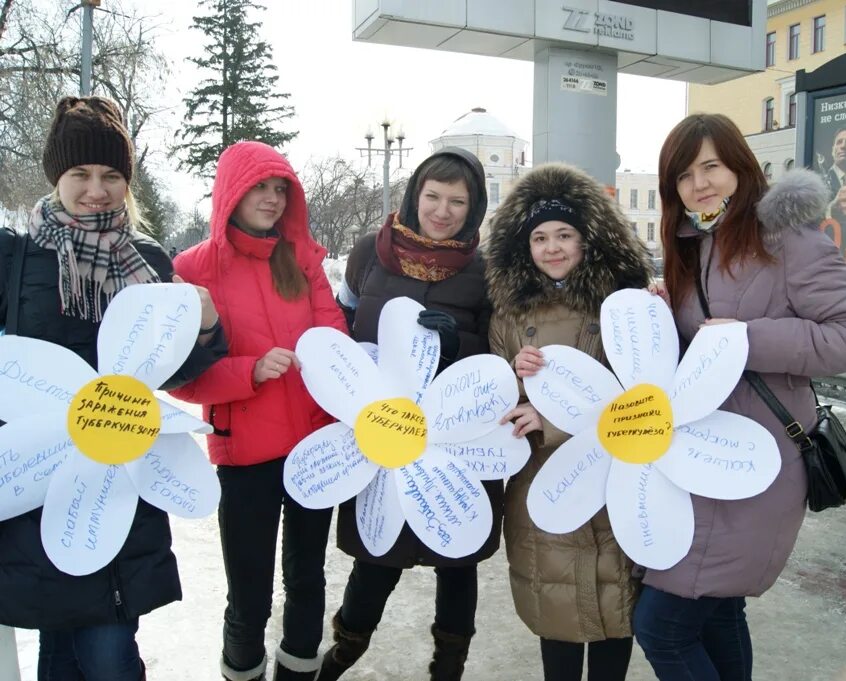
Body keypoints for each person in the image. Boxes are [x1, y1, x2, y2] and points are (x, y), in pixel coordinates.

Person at [638, 113, 846, 681]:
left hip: (758, 463)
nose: (699, 184)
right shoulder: (693, 247)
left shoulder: (790, 243)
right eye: (683, 175)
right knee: (719, 613)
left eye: (711, 167)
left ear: (740, 168)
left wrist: (745, 339)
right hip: (699, 461)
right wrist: (664, 311)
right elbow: (696, 349)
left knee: (662, 627)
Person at [0, 96, 225, 681]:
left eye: (111, 176)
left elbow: (173, 376)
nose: (96, 189)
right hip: (42, 480)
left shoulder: (146, 260)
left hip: (124, 474)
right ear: (58, 177)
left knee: (106, 652)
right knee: (60, 649)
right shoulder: (16, 258)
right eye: (81, 174)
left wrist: (202, 330)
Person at [169, 141, 349, 681]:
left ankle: (298, 673)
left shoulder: (304, 261)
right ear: (231, 191)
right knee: (248, 592)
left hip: (315, 448)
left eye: (280, 189)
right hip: (245, 457)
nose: (271, 199)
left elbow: (334, 342)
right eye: (260, 187)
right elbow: (183, 378)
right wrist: (248, 371)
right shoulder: (193, 270)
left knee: (308, 581)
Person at [321, 148, 492, 681]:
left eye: (457, 201)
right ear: (416, 194)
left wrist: (456, 343)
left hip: (455, 437)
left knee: (456, 559)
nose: (442, 211)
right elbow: (343, 325)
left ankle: (449, 667)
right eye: (433, 196)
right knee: (377, 553)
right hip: (384, 433)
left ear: (474, 206)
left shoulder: (487, 272)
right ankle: (341, 654)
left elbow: (498, 352)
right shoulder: (369, 254)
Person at [485, 163, 652, 681]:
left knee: (614, 621)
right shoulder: (508, 316)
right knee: (556, 625)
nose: (552, 247)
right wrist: (514, 379)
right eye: (539, 237)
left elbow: (645, 402)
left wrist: (553, 417)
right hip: (542, 493)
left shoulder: (624, 309)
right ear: (524, 246)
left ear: (589, 240)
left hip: (615, 487)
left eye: (564, 234)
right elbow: (494, 409)